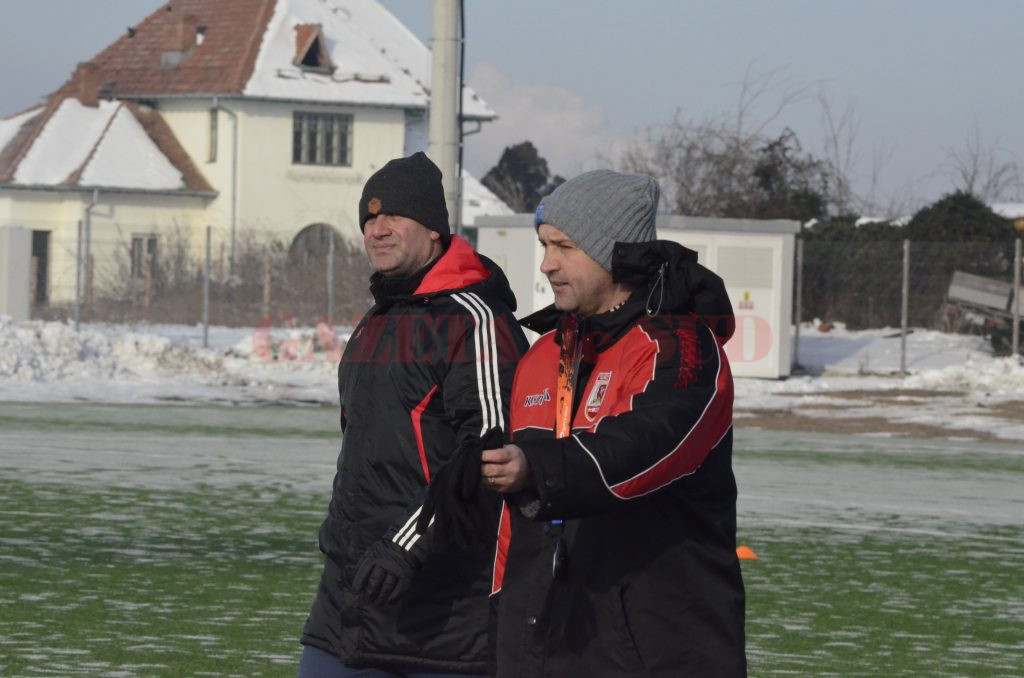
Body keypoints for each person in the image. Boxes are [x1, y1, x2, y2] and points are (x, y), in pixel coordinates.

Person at [481, 170, 747, 676]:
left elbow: (647, 447)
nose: (547, 264)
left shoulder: (682, 345)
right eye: (543, 245)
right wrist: (504, 624)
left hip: (658, 651)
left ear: (615, 253)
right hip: (543, 651)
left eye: (564, 246)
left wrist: (538, 468)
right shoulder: (542, 356)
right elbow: (511, 529)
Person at [299, 152, 529, 677]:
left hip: (440, 614)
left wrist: (405, 547)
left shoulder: (476, 321)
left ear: (431, 228)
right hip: (346, 598)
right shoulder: (376, 321)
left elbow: (487, 456)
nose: (377, 230)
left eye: (392, 217)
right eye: (368, 220)